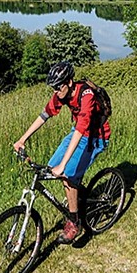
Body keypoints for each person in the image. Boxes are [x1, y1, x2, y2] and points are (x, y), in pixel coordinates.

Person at [13, 61, 110, 244]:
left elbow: (82, 130)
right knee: (51, 167)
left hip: (95, 137)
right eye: (53, 87)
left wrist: (64, 165)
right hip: (78, 133)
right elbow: (44, 115)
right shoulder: (61, 94)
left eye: (58, 86)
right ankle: (78, 194)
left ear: (70, 82)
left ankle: (75, 222)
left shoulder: (86, 95)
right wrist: (22, 139)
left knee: (67, 173)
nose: (56, 91)